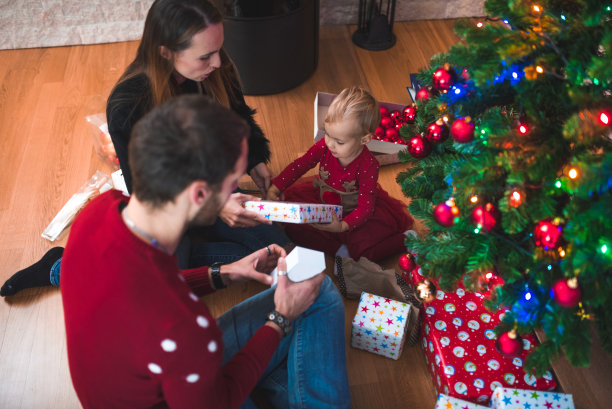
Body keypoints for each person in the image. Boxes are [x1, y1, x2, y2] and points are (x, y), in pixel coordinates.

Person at [61, 94, 351, 409]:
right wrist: (280, 318)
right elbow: (220, 400)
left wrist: (225, 272)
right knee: (318, 293)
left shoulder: (98, 212)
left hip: (151, 378)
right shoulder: (185, 327)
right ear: (199, 194)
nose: (238, 196)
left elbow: (149, 287)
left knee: (305, 307)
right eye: (232, 186)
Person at [1, 0, 290, 297]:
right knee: (157, 284)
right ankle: (61, 266)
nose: (217, 62)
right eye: (206, 56)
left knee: (280, 253)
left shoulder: (211, 64)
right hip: (167, 204)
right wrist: (213, 207)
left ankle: (203, 250)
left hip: (208, 185)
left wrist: (255, 159)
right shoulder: (129, 105)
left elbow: (238, 113)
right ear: (166, 52)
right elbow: (146, 191)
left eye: (219, 50)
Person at [266, 86, 413, 263]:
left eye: (339, 141)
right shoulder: (324, 145)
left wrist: (343, 226)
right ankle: (339, 251)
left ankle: (405, 239)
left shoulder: (368, 165)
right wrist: (277, 186)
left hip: (355, 216)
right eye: (327, 134)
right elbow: (300, 165)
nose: (330, 144)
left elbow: (365, 207)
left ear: (364, 139)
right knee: (294, 229)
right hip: (324, 202)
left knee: (365, 253)